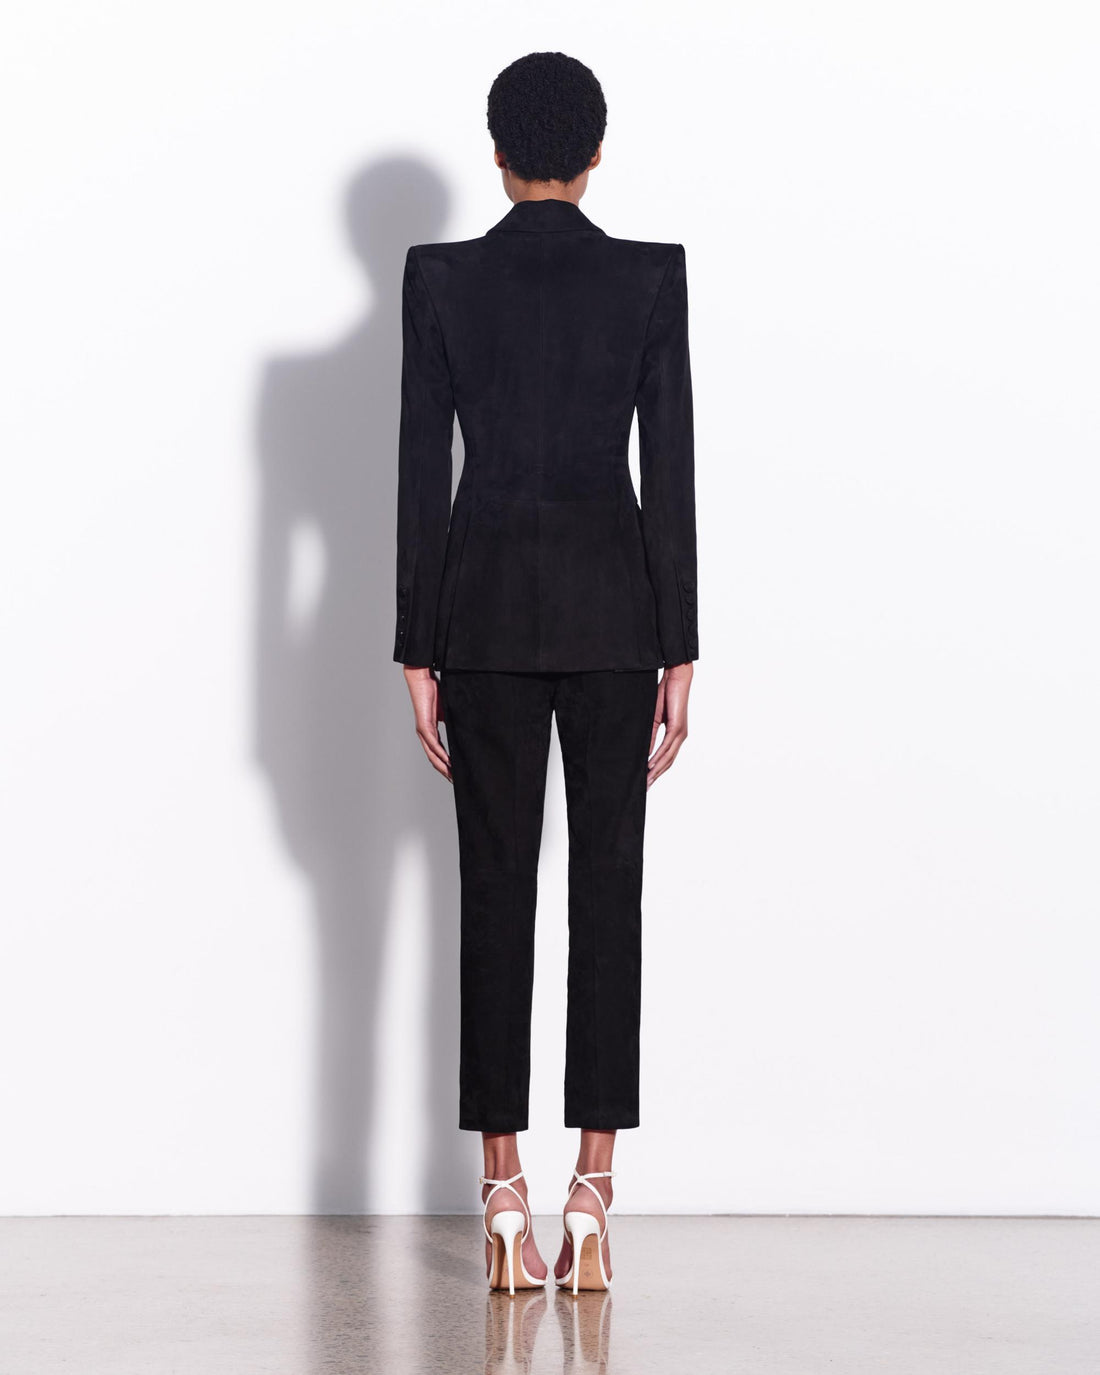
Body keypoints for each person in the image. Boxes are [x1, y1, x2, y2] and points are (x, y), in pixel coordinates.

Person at [393, 50, 697, 1295]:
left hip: (483, 621)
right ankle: (594, 1194)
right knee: (609, 898)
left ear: (496, 152)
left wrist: (416, 647)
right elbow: (668, 468)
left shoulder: (441, 280)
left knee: (492, 894)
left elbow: (422, 470)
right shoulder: (648, 277)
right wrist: (680, 645)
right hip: (617, 619)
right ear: (596, 152)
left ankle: (501, 1194)